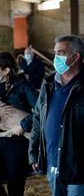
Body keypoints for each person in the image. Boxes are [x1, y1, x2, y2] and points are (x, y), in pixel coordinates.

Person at [0, 51, 38, 196]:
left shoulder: (23, 86)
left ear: (6, 70)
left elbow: (41, 111)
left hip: (16, 143)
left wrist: (23, 125)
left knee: (15, 187)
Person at [28, 35, 84, 196]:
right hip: (53, 160)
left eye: (61, 52)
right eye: (55, 53)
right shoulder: (49, 84)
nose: (56, 57)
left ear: (76, 56)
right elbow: (38, 118)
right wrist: (33, 152)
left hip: (78, 165)